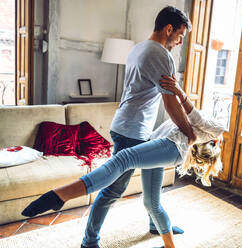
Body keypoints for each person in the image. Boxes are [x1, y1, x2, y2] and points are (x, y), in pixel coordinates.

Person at [22, 77, 224, 248]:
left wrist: (179, 91)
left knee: (124, 158)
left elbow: (196, 117)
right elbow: (185, 119)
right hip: (160, 147)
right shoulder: (203, 131)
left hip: (170, 148)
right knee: (151, 202)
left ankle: (62, 194)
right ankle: (166, 239)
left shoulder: (217, 129)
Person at [67, 6, 193, 248]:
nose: (179, 42)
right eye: (180, 36)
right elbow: (170, 103)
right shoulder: (161, 55)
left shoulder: (138, 48)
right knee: (113, 191)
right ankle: (89, 241)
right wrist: (190, 133)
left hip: (136, 128)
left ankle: (157, 225)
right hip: (131, 132)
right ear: (169, 29)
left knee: (153, 188)